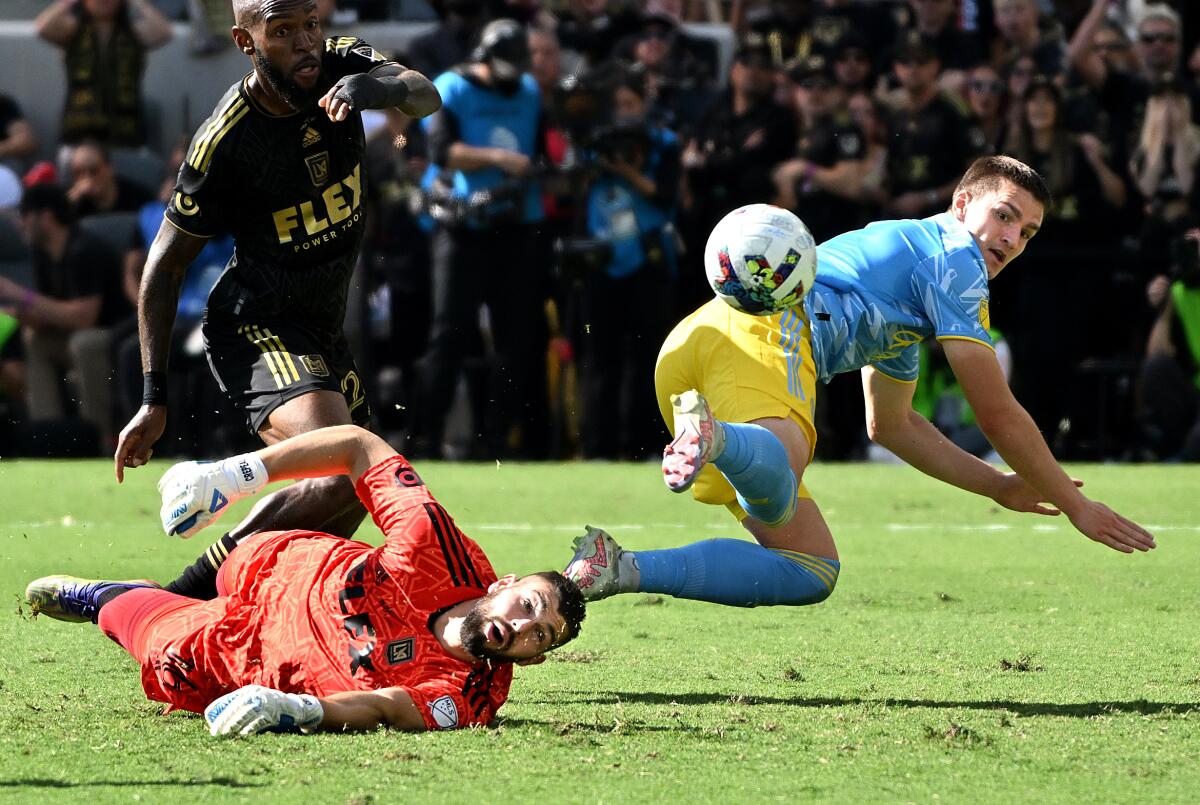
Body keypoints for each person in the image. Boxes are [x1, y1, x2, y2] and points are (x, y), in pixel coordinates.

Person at [564, 156, 1156, 610]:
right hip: (765, 331)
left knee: (811, 568)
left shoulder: (912, 280)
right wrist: (1077, 505)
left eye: (1027, 232)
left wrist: (1001, 488)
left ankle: (620, 568)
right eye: (1004, 214)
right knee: (780, 475)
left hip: (695, 346)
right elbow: (996, 411)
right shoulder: (955, 261)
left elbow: (891, 426)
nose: (1010, 238)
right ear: (961, 203)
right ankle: (719, 439)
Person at [112, 0, 441, 601]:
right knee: (343, 467)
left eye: (310, 25)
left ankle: (233, 615)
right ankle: (177, 598)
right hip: (257, 325)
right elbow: (164, 265)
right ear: (246, 40)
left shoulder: (345, 64)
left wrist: (369, 88)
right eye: (282, 31)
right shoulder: (227, 139)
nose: (305, 43)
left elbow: (423, 93)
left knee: (352, 494)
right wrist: (153, 396)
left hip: (322, 328)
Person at [25, 424, 586, 735]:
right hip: (276, 564)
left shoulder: (469, 697)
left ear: (534, 658)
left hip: (256, 659)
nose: (521, 625)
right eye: (529, 603)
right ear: (503, 584)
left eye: (540, 634)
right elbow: (361, 446)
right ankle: (182, 581)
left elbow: (389, 706)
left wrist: (302, 710)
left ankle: (105, 596)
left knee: (160, 648)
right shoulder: (435, 545)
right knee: (316, 498)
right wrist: (236, 474)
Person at [412, 18, 548, 460]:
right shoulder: (450, 87)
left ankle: (495, 441)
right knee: (449, 334)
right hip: (462, 225)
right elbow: (440, 151)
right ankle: (424, 438)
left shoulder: (529, 91)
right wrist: (500, 159)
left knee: (515, 338)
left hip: (517, 224)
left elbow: (543, 151)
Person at [0, 183, 129, 452]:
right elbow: (51, 312)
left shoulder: (85, 249)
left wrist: (19, 295)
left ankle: (100, 439)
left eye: (25, 215)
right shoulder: (43, 253)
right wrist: (24, 314)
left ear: (45, 217)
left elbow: (84, 317)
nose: (21, 224)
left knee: (83, 342)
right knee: (35, 339)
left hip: (114, 334)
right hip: (73, 335)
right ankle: (49, 437)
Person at [35, 0, 173, 148]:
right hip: (78, 135)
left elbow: (164, 32)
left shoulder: (134, 33)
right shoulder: (72, 30)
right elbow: (42, 28)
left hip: (125, 133)